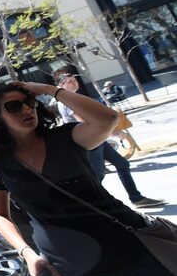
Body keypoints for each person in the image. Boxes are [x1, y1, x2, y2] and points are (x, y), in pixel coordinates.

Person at [0, 82, 177, 276]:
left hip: (135, 254)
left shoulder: (67, 137)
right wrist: (27, 254)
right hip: (77, 271)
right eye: (13, 106)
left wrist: (50, 89)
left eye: (29, 103)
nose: (26, 109)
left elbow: (108, 119)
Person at [56, 71, 163, 208]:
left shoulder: (73, 98)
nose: (74, 83)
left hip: (96, 141)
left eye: (74, 80)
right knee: (97, 177)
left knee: (122, 164)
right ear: (61, 85)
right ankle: (95, 208)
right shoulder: (68, 101)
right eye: (69, 81)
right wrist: (115, 133)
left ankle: (136, 198)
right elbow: (88, 123)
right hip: (90, 143)